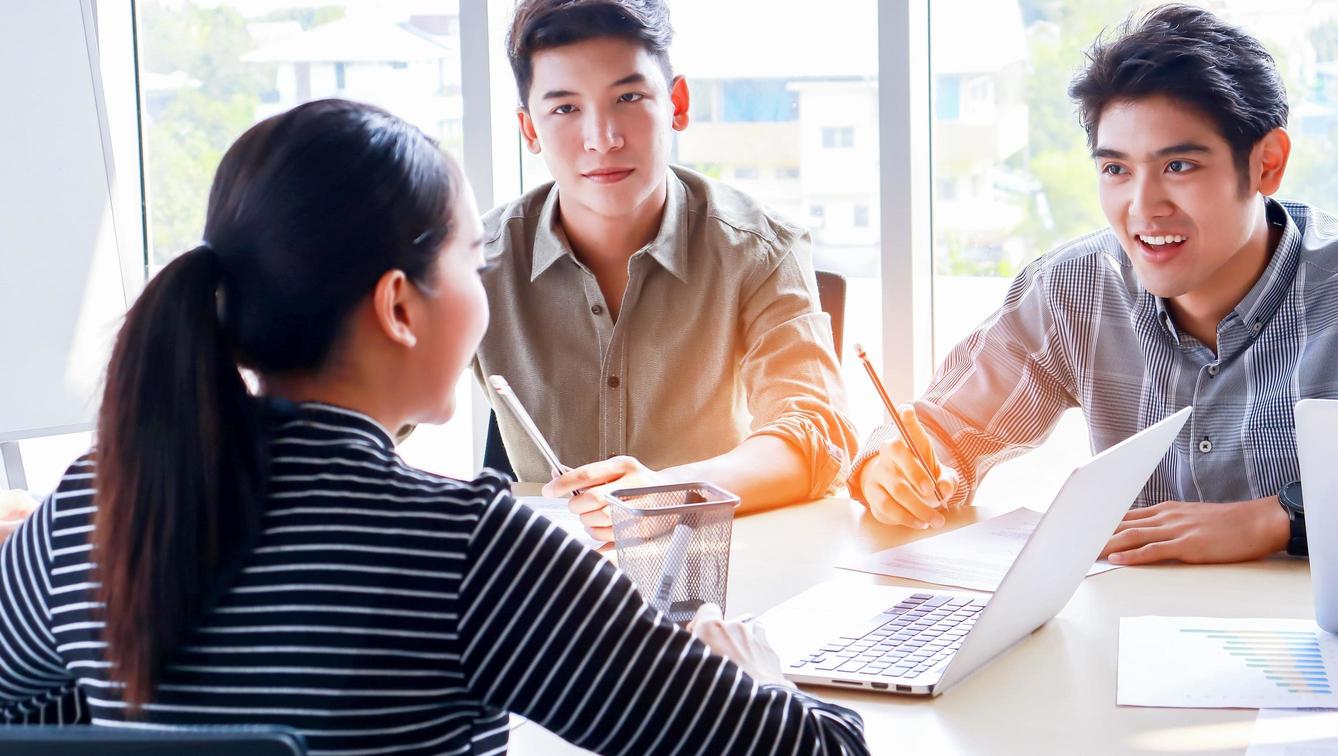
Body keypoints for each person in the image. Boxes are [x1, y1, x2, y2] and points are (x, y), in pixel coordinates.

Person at [0, 99, 867, 754]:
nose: (487, 295)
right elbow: (815, 751)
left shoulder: (86, 512)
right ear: (399, 306)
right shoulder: (466, 551)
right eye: (470, 259)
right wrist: (758, 676)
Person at [851, 4, 1338, 565]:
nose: (1143, 207)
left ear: (1267, 163)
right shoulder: (1074, 289)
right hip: (1123, 642)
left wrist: (1280, 519)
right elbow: (937, 432)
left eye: (1179, 166)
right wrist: (896, 465)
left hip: (1325, 653)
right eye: (1117, 169)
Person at [475, 0, 857, 543]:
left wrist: (667, 494)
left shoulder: (759, 248)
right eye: (564, 110)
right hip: (544, 585)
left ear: (676, 103)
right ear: (529, 128)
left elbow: (816, 436)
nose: (601, 137)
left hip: (712, 577)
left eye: (628, 97)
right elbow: (356, 415)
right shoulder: (474, 261)